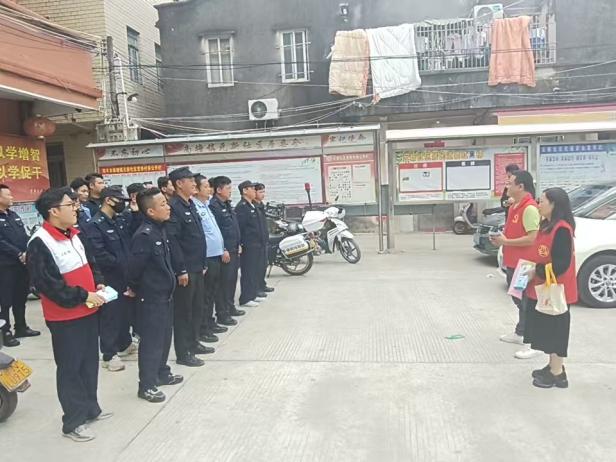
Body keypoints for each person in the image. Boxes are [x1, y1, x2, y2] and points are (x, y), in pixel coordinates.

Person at [27, 187, 111, 442]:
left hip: (88, 310)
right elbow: (48, 285)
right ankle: (73, 421)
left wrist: (98, 282)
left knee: (89, 363)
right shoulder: (40, 242)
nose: (76, 208)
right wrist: (83, 295)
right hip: (65, 318)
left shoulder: (75, 234)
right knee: (70, 368)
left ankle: (90, 408)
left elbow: (90, 263)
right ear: (53, 211)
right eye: (70, 204)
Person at [128, 188, 183, 403]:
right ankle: (147, 385)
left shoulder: (160, 230)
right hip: (151, 299)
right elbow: (134, 270)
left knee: (164, 338)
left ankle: (161, 372)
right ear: (150, 211)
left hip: (165, 296)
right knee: (152, 342)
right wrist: (138, 289)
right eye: (162, 204)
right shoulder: (144, 236)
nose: (168, 207)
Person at [523, 187, 576, 389]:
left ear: (553, 204)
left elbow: (561, 264)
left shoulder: (562, 229)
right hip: (543, 288)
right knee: (546, 330)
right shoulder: (547, 225)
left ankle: (557, 374)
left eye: (542, 201)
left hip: (556, 292)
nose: (538, 204)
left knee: (556, 331)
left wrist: (536, 271)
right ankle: (553, 366)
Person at [490, 170, 541, 359]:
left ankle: (533, 340)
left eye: (510, 183)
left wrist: (506, 242)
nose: (507, 186)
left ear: (520, 186)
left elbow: (532, 238)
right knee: (518, 299)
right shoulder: (514, 206)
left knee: (526, 301)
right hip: (513, 262)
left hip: (525, 264)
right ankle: (521, 332)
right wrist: (501, 241)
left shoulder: (529, 209)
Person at [85, 186, 136, 372]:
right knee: (110, 316)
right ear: (108, 200)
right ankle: (109, 354)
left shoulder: (118, 220)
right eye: (119, 200)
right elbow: (98, 253)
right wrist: (120, 263)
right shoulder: (95, 224)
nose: (122, 204)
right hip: (108, 277)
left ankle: (124, 344)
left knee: (124, 312)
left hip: (124, 275)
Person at [167, 167, 211, 367]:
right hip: (185, 269)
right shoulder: (174, 206)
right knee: (184, 312)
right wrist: (181, 269)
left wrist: (202, 263)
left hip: (197, 266)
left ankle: (194, 343)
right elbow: (174, 241)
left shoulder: (190, 203)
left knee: (196, 308)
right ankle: (183, 352)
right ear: (179, 184)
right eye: (190, 180)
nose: (194, 184)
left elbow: (198, 236)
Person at [0, 184, 40, 347]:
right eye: (8, 195)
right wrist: (18, 253)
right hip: (5, 266)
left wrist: (27, 252)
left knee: (20, 297)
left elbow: (23, 236)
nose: (12, 197)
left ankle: (21, 327)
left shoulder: (13, 215)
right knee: (5, 301)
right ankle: (5, 332)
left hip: (21, 264)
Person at [192, 175, 228, 343]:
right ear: (196, 189)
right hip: (207, 257)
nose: (210, 189)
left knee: (212, 293)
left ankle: (210, 322)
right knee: (204, 296)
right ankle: (203, 328)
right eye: (206, 186)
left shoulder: (206, 205)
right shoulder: (195, 207)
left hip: (216, 254)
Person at [209, 176, 244, 326]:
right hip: (225, 251)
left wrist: (238, 243)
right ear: (218, 189)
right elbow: (217, 230)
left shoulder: (227, 204)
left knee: (231, 281)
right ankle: (222, 313)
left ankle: (230, 307)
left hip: (234, 248)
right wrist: (223, 249)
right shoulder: (214, 206)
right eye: (228, 188)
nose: (230, 191)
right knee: (223, 284)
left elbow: (233, 226)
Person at [235, 180, 267, 308]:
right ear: (244, 191)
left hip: (257, 244)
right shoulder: (242, 207)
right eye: (252, 189)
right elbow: (240, 227)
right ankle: (246, 297)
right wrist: (240, 244)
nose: (254, 191)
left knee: (254, 271)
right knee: (248, 272)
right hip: (249, 245)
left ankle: (253, 294)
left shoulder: (251, 205)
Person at [254, 183, 274, 296]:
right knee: (257, 267)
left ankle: (262, 284)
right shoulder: (252, 206)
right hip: (256, 242)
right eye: (260, 192)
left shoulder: (261, 205)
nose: (263, 194)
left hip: (263, 240)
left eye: (263, 192)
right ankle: (257, 288)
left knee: (263, 265)